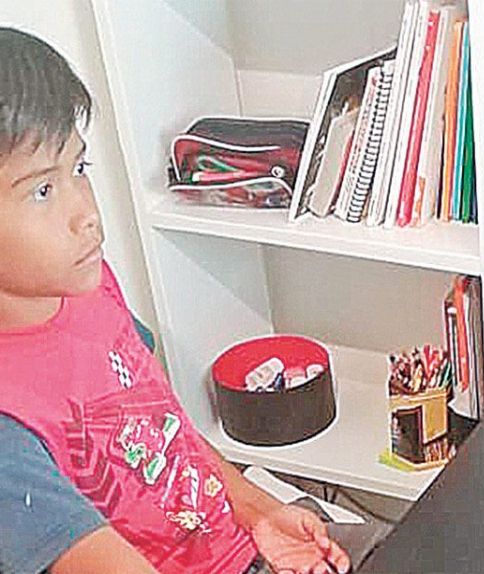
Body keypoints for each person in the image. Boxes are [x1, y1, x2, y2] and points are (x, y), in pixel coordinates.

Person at [0, 27, 351, 574]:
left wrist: (258, 511)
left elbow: (168, 439)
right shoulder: (9, 422)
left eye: (79, 169)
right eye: (42, 190)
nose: (87, 214)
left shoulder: (89, 287)